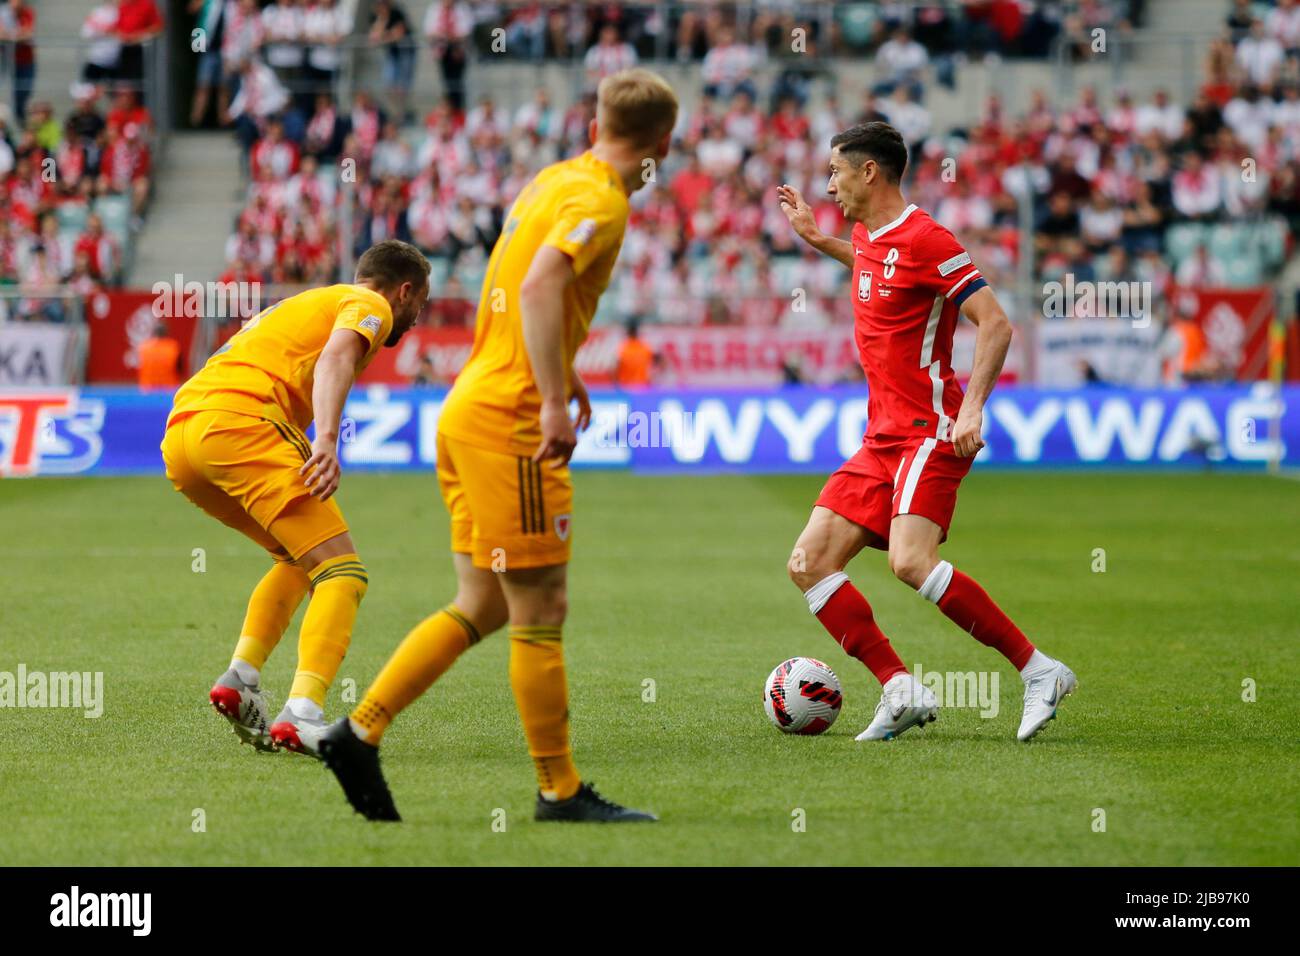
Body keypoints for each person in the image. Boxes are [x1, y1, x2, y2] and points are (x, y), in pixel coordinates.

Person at [319, 69, 679, 824]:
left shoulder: (553, 181)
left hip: (468, 405)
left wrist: (562, 371)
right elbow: (543, 285)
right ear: (661, 148)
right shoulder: (603, 201)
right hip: (510, 421)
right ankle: (559, 791)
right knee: (541, 605)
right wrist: (550, 394)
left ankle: (358, 733)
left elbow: (514, 284)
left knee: (482, 602)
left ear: (593, 128)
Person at [776, 121, 1077, 743]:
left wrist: (973, 411)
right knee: (808, 562)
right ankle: (899, 687)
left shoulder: (927, 239)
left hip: (929, 429)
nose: (827, 184)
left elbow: (994, 323)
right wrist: (816, 239)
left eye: (835, 171)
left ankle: (1040, 671)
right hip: (880, 438)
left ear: (869, 172)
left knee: (911, 563)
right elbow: (870, 260)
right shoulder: (866, 235)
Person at [159, 240, 430, 757]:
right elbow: (335, 360)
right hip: (244, 424)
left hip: (184, 438)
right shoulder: (368, 304)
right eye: (419, 303)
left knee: (299, 558)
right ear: (404, 290)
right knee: (342, 572)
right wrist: (326, 440)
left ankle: (241, 678)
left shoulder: (305, 303)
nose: (417, 317)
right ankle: (302, 714)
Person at [137, 322, 182, 388]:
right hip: (168, 391)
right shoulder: (173, 347)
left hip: (148, 390)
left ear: (154, 333)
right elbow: (180, 368)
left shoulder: (144, 348)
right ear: (166, 333)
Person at [615, 319, 654, 387]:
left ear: (628, 332)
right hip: (642, 386)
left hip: (625, 387)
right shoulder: (645, 347)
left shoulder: (622, 348)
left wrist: (616, 384)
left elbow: (616, 367)